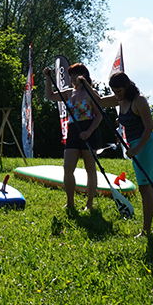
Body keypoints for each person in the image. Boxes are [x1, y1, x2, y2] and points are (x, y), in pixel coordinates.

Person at [87, 72, 153, 237]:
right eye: (114, 91)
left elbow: (149, 127)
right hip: (135, 146)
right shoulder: (119, 100)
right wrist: (85, 84)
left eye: (119, 91)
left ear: (127, 86)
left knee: (145, 189)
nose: (117, 94)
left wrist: (136, 149)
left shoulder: (139, 101)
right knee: (151, 188)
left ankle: (146, 231)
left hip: (147, 145)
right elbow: (99, 101)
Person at [42, 62, 102, 212]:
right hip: (73, 131)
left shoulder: (91, 92)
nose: (74, 78)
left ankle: (89, 203)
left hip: (89, 131)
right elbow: (49, 96)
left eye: (76, 75)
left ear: (85, 76)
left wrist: (89, 132)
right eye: (72, 75)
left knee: (90, 168)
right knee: (68, 167)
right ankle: (70, 202)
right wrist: (48, 78)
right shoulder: (69, 92)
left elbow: (99, 115)